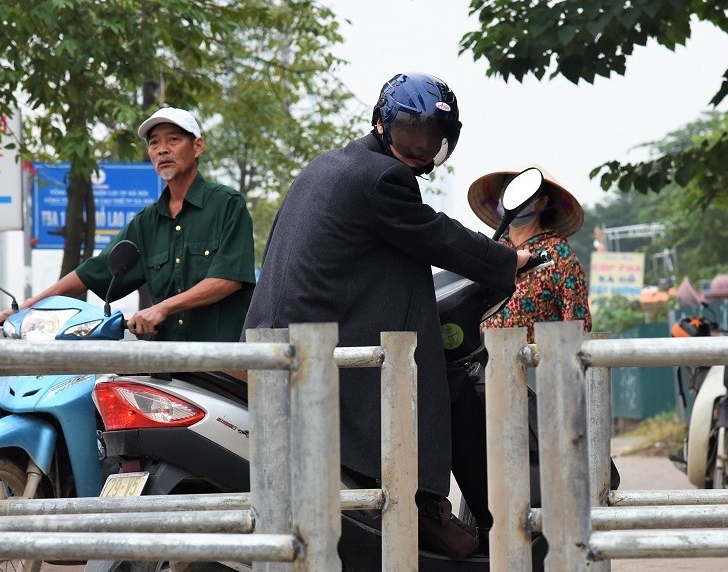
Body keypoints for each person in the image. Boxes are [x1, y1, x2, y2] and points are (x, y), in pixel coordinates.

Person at [241, 72, 532, 559]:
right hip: (327, 344)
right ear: (381, 125)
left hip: (285, 336)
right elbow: (435, 234)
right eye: (409, 135)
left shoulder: (327, 166)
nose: (418, 152)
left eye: (430, 141)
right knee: (425, 374)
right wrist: (508, 260)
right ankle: (422, 505)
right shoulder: (381, 177)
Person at [0, 107, 256, 342]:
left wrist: (162, 308)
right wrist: (24, 308)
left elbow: (227, 279)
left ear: (197, 146)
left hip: (222, 363)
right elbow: (91, 274)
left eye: (173, 140)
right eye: (154, 143)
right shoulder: (146, 223)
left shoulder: (227, 204)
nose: (162, 149)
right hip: (169, 366)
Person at [468, 164, 592, 343]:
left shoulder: (559, 254)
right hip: (489, 364)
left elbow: (578, 324)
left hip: (540, 365)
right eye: (509, 191)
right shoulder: (493, 248)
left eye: (524, 195)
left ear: (541, 203)